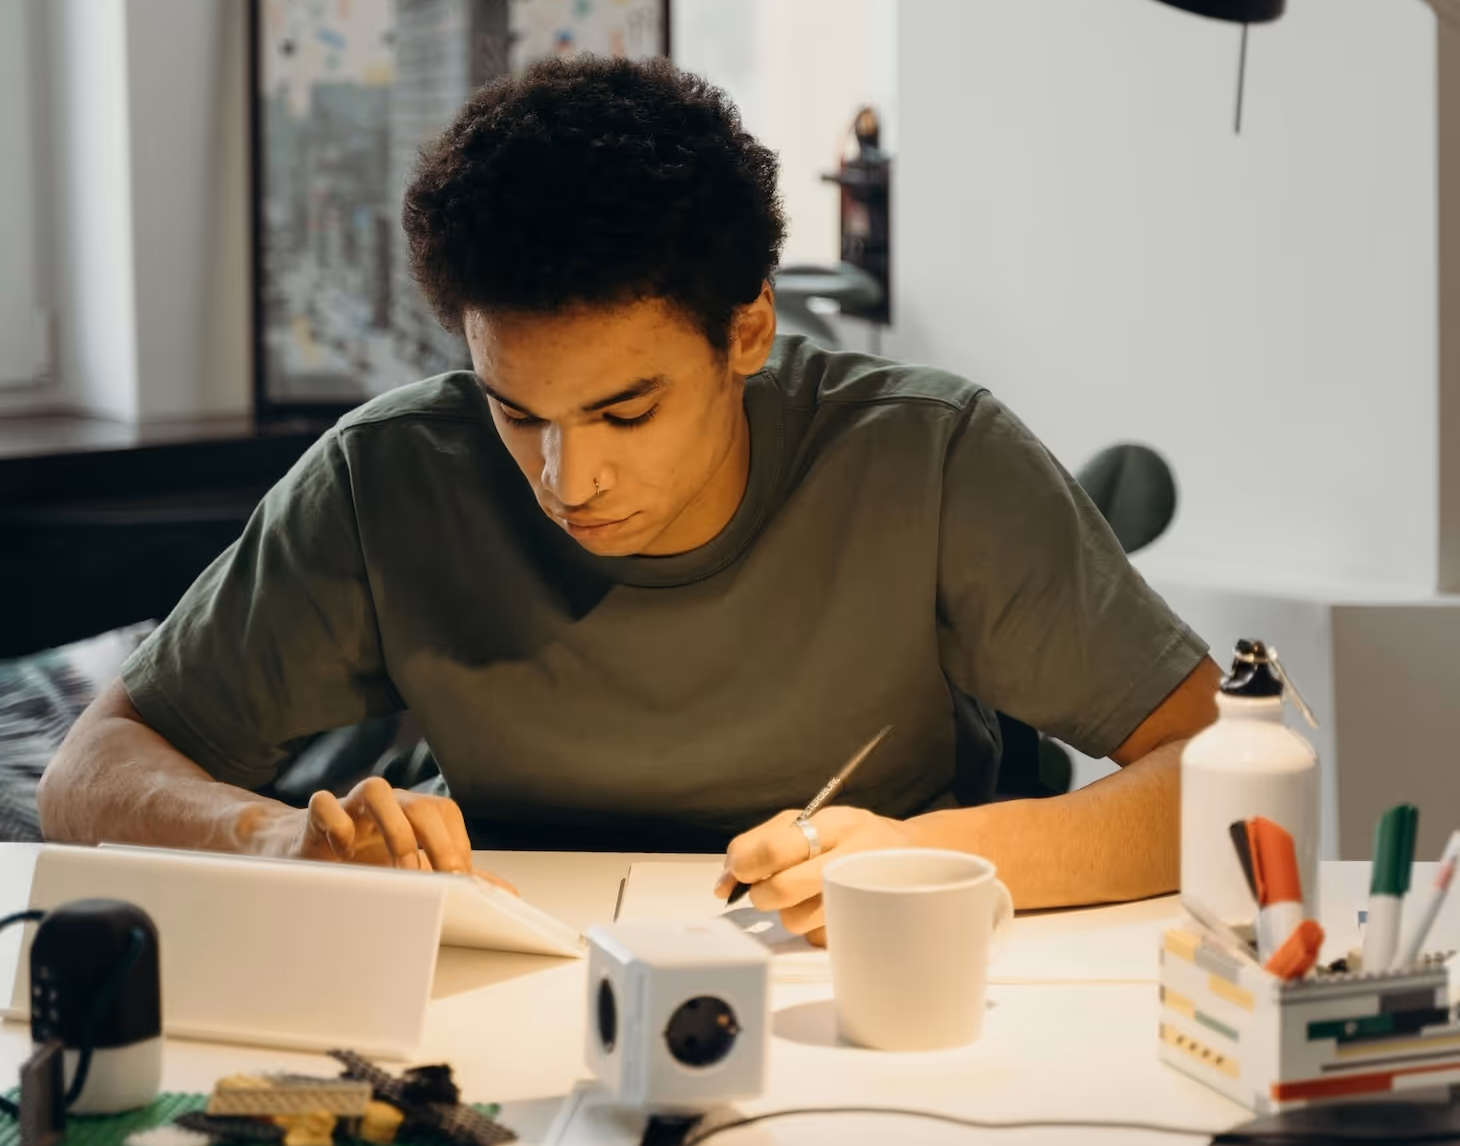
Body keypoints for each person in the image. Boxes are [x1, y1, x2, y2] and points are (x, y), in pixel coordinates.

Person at [38, 57, 1218, 942]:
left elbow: (1220, 771)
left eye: (624, 411)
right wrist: (288, 838)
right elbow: (89, 771)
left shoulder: (929, 454)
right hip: (502, 975)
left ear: (746, 328)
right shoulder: (385, 474)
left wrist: (924, 855)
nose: (567, 480)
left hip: (865, 972)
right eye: (516, 412)